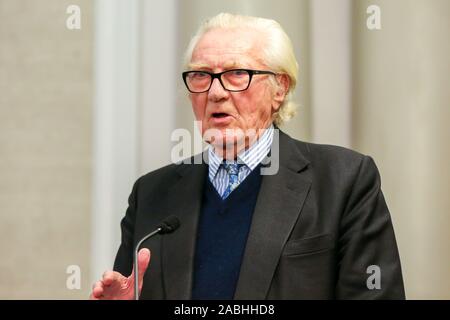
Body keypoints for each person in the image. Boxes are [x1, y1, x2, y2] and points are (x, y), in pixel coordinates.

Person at [90, 13, 405, 300]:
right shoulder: (152, 194)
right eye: (201, 75)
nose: (215, 93)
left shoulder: (343, 181)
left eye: (237, 73)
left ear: (279, 87)